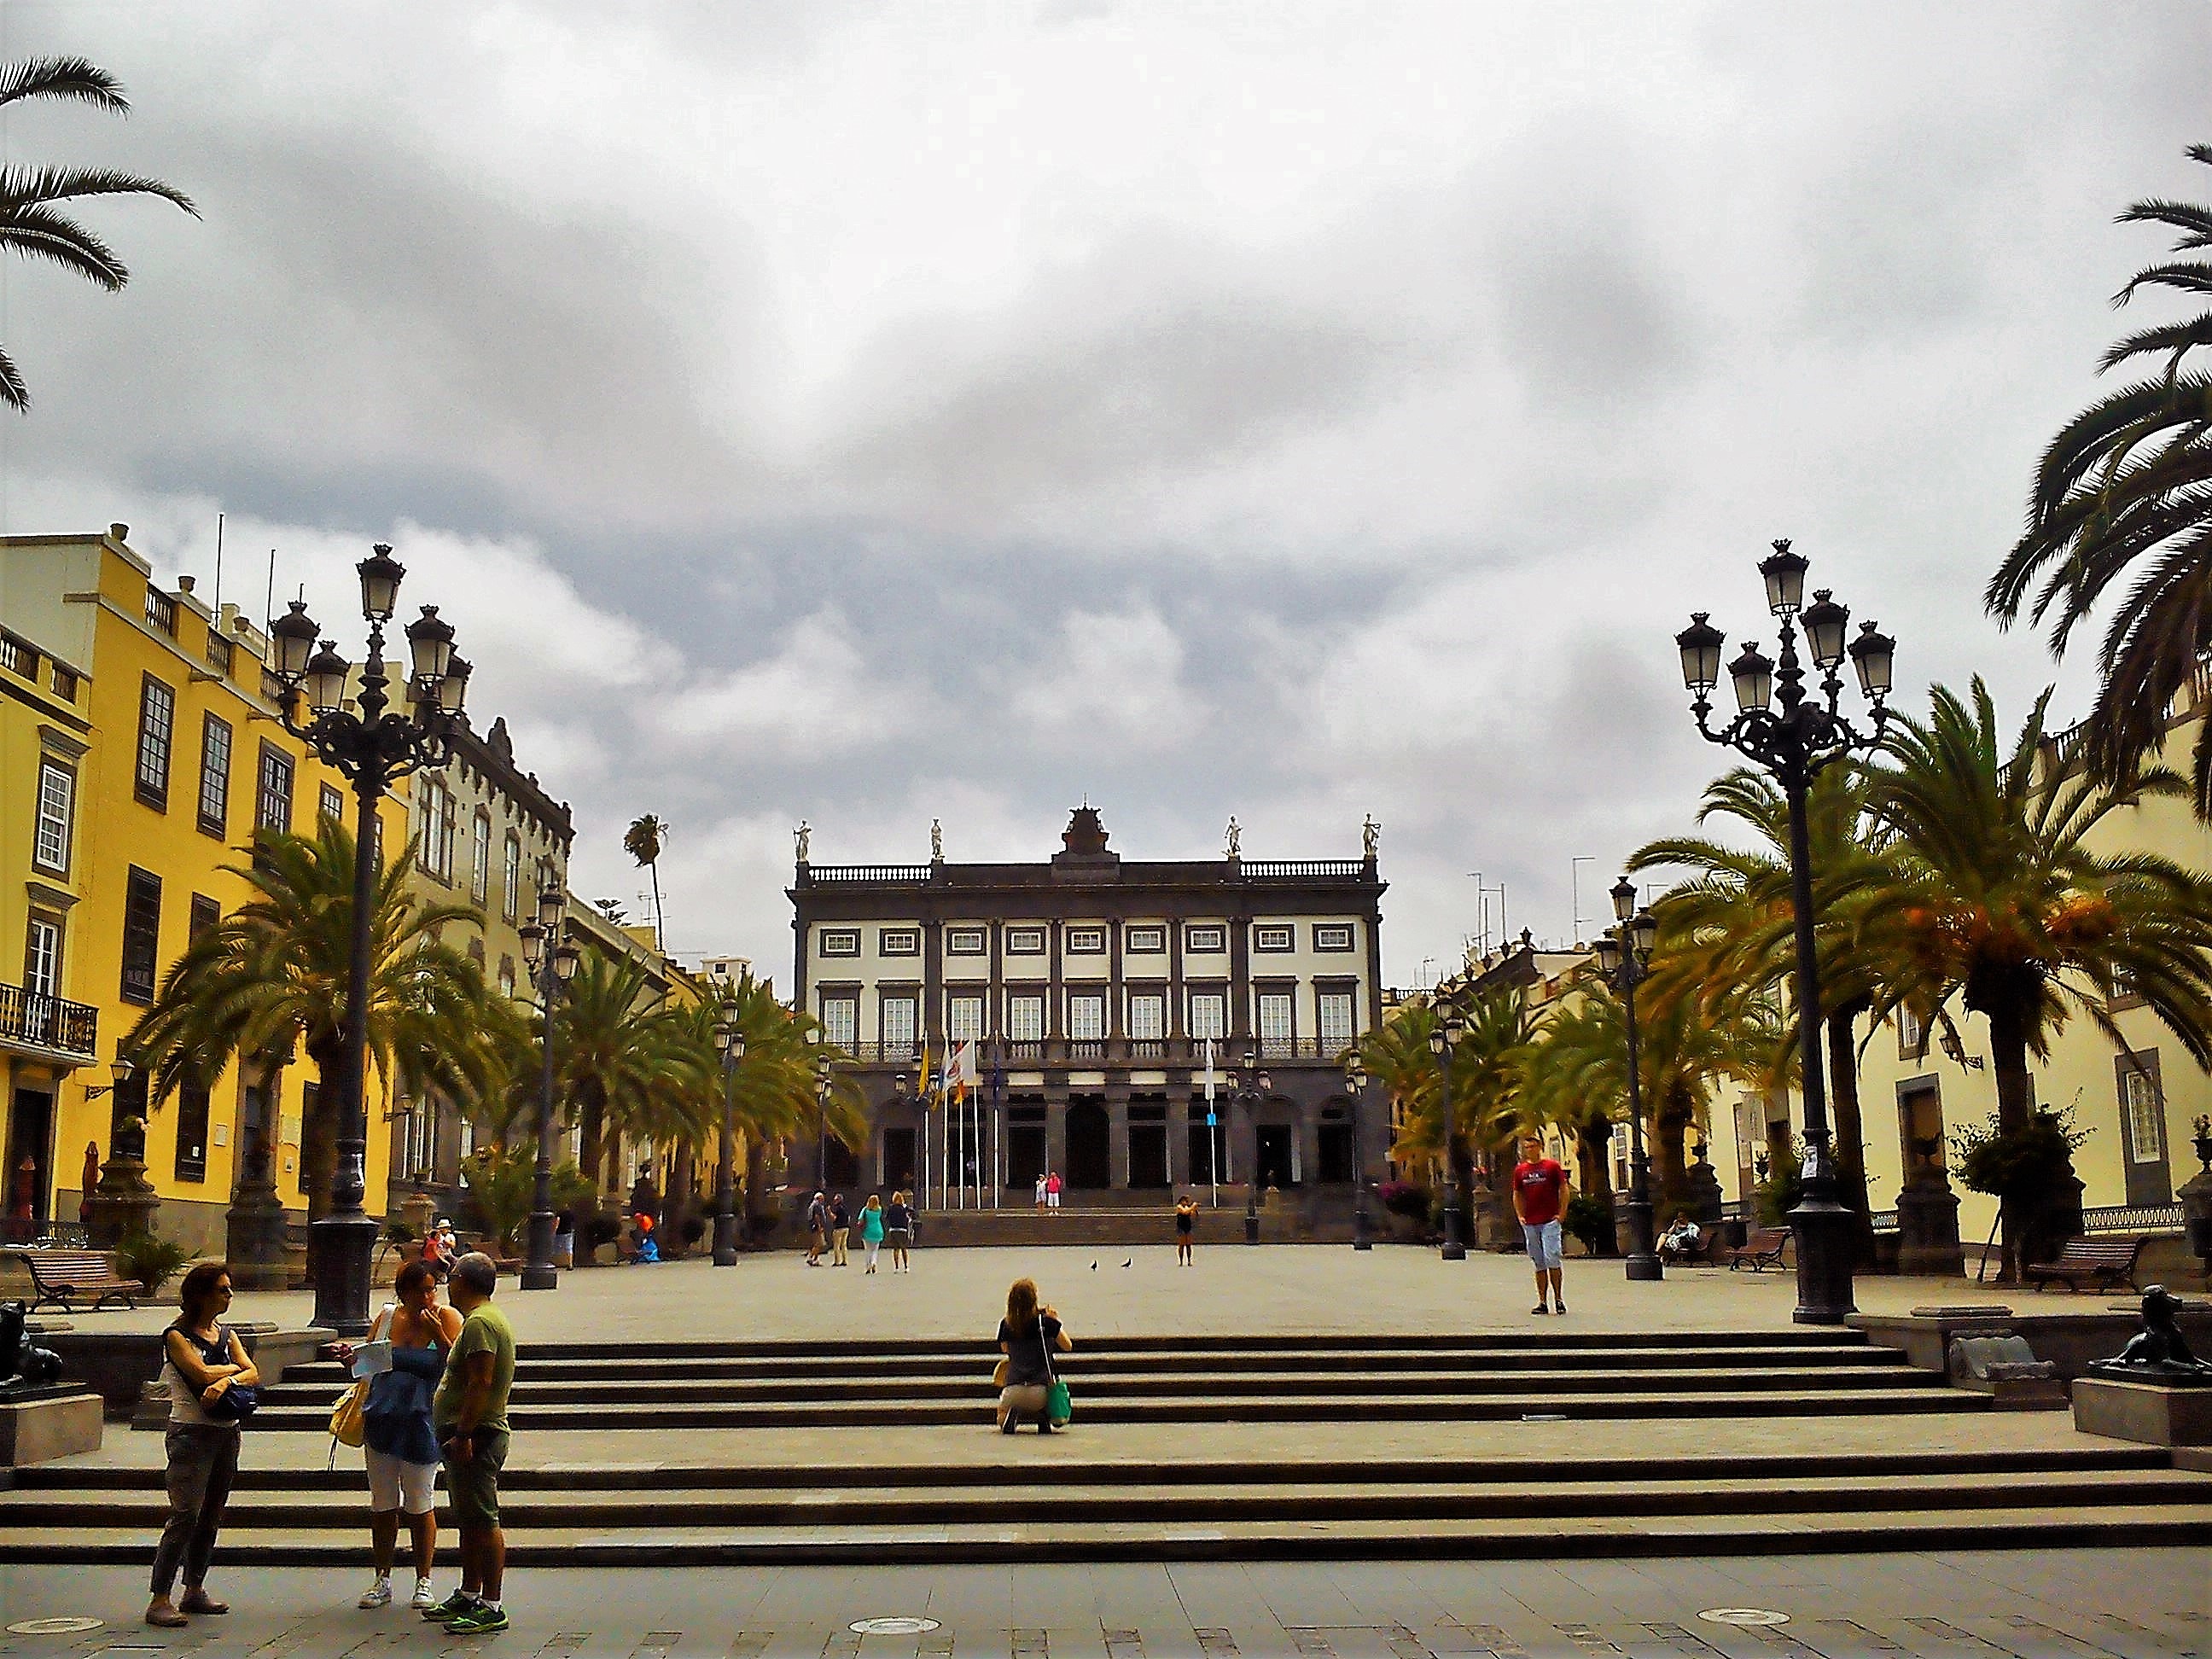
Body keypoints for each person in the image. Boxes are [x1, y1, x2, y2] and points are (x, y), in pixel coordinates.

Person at [331, 1260, 460, 1611]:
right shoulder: (389, 1317)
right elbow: (367, 1363)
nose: (427, 1298)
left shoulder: (447, 1317)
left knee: (420, 1500)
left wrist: (438, 1336)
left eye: (432, 1289)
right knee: (383, 1501)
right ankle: (382, 1577)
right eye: (419, 1291)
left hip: (422, 1419)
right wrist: (349, 1359)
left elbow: (457, 1367)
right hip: (383, 1414)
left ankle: (424, 1579)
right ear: (402, 1294)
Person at [147, 1262, 259, 1628]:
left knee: (212, 1513)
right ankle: (160, 1597)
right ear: (201, 1294)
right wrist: (231, 1373)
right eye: (222, 1289)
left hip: (227, 1431)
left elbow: (253, 1372)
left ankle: (194, 1588)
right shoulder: (176, 1335)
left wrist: (225, 1382)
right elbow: (200, 1373)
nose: (229, 1295)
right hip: (191, 1433)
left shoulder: (226, 1334)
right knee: (185, 1514)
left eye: (230, 1289)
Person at [421, 1254, 515, 1636]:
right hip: (470, 1433)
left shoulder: (479, 1323)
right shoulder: (483, 1320)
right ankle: (470, 1591)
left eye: (452, 1276)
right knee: (470, 1518)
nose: (447, 1283)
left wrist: (463, 1433)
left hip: (478, 1435)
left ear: (466, 1281)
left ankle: (491, 1604)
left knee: (483, 1518)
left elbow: (481, 1381)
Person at [994, 1277, 1070, 1435]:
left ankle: (1010, 1414)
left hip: (1013, 1389)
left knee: (1001, 1414)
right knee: (1043, 1400)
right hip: (1041, 1391)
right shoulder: (1046, 1323)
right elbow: (1068, 1346)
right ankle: (1042, 1414)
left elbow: (1004, 1348)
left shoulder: (1006, 1324)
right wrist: (1055, 1321)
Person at [1511, 1132, 1571, 1316]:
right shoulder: (1520, 1171)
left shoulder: (1551, 1167)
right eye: (1527, 1147)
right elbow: (1517, 1193)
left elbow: (1564, 1189)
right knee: (1538, 1262)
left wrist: (1561, 1214)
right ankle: (1542, 1301)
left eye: (1533, 1146)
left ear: (1540, 1147)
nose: (1530, 1150)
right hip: (1530, 1222)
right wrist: (1520, 1215)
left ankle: (1559, 1299)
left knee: (1552, 1256)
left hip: (1550, 1221)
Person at [884, 1190, 913, 1273]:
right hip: (902, 1230)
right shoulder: (903, 1208)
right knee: (904, 1249)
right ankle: (906, 1267)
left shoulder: (891, 1208)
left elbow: (887, 1218)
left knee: (896, 1249)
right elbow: (913, 1213)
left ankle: (896, 1267)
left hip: (893, 1229)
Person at [422, 1218, 455, 1283]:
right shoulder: (437, 1235)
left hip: (447, 1254)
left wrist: (446, 1242)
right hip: (438, 1254)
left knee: (454, 1261)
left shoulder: (450, 1236)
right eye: (441, 1228)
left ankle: (450, 1276)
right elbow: (432, 1246)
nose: (442, 1229)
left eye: (444, 1228)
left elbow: (453, 1246)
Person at [859, 1193, 886, 1273]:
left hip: (867, 1230)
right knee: (875, 1250)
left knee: (868, 1250)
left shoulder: (865, 1210)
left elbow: (860, 1219)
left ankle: (868, 1266)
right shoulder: (879, 1209)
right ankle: (874, 1263)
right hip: (878, 1230)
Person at [1174, 1193, 1197, 1266]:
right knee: (1181, 1244)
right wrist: (1192, 1206)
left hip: (1188, 1227)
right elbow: (1184, 1212)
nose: (1186, 1202)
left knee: (1188, 1245)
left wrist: (1194, 1209)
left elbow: (1192, 1215)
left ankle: (1189, 1260)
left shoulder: (1187, 1207)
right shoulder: (1179, 1207)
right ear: (1181, 1201)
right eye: (1185, 1201)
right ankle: (1181, 1261)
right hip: (1181, 1227)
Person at [805, 1190, 827, 1266]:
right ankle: (810, 1257)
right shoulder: (817, 1205)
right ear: (818, 1198)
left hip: (814, 1227)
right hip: (817, 1227)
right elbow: (817, 1216)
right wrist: (819, 1226)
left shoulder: (813, 1205)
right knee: (818, 1244)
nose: (823, 1199)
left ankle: (815, 1259)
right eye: (822, 1197)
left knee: (818, 1244)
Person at [830, 1193, 851, 1266]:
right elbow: (849, 1217)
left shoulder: (837, 1208)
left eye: (835, 1199)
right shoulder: (846, 1207)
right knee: (844, 1245)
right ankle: (845, 1260)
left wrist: (829, 1212)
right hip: (846, 1228)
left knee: (836, 1245)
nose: (834, 1201)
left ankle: (837, 1261)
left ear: (838, 1200)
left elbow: (834, 1218)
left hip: (838, 1228)